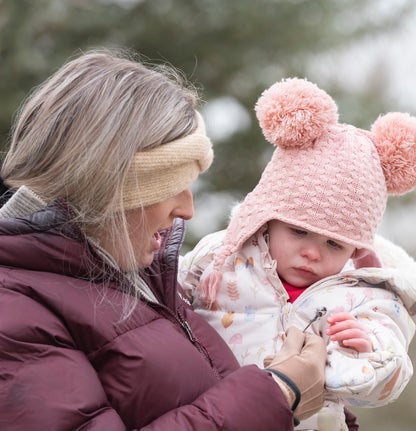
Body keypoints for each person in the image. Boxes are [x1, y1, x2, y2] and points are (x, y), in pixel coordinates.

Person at [0, 49, 352, 430]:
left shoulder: (142, 276)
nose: (187, 210)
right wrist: (279, 394)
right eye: (171, 186)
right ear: (108, 187)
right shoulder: (14, 312)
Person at [178, 78, 416, 431]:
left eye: (334, 244)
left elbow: (384, 380)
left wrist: (365, 350)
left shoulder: (361, 295)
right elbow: (160, 304)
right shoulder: (219, 259)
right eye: (298, 231)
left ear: (357, 249)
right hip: (214, 417)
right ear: (268, 219)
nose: (311, 253)